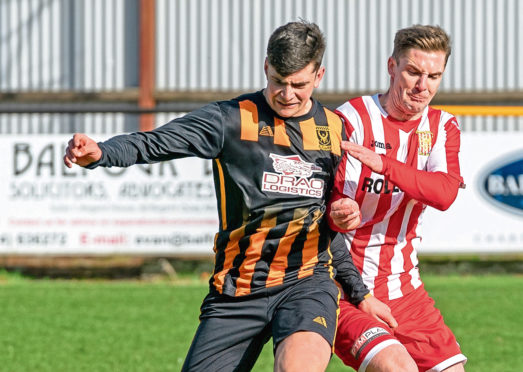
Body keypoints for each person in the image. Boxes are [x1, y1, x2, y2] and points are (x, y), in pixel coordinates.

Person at [63, 21, 394, 372]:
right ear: (266, 67)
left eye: (298, 84)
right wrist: (102, 152)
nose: (287, 93)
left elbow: (327, 227)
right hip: (238, 289)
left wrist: (359, 293)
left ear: (319, 75)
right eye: (279, 81)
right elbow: (155, 142)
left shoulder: (334, 129)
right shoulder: (230, 119)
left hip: (307, 283)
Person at [328, 25, 467, 372]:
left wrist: (385, 166)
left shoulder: (442, 127)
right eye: (414, 72)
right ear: (392, 67)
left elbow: (444, 193)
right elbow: (327, 209)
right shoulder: (352, 119)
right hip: (344, 287)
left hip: (405, 288)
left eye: (434, 76)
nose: (423, 86)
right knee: (395, 367)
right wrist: (339, 212)